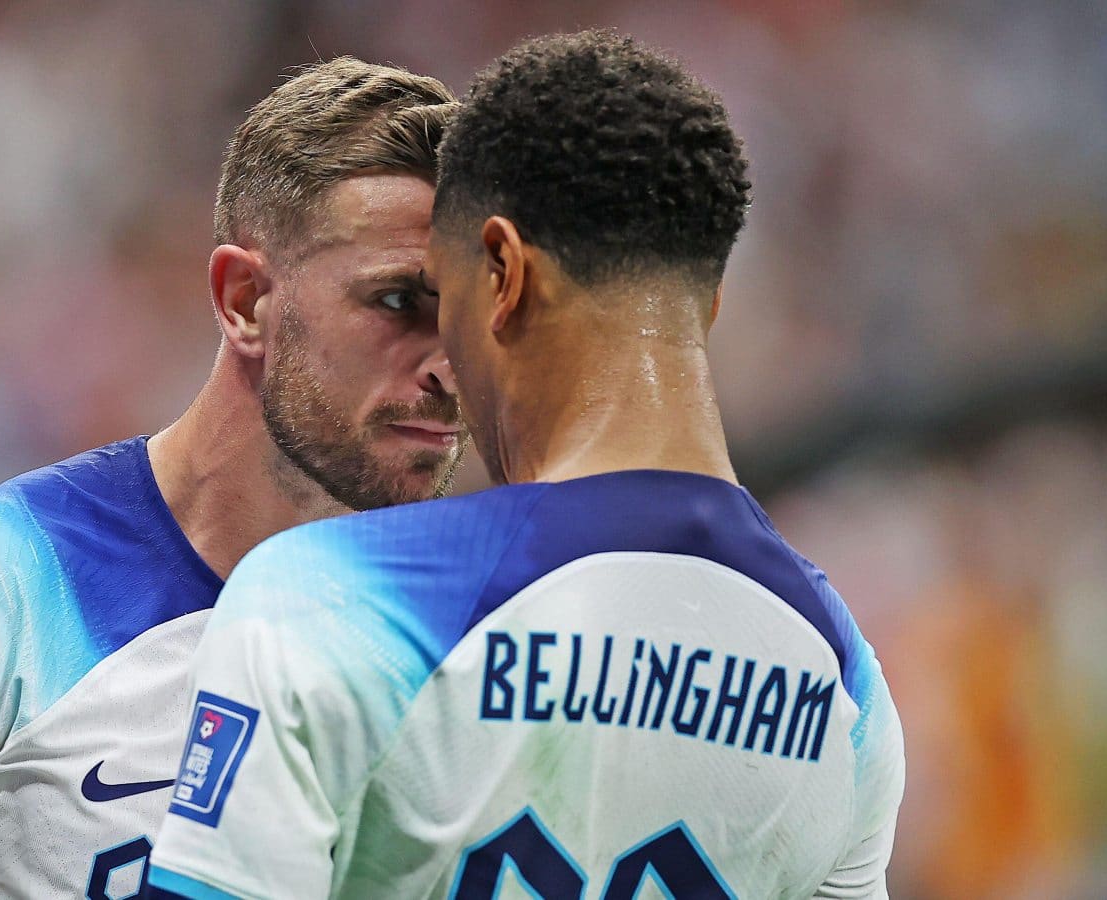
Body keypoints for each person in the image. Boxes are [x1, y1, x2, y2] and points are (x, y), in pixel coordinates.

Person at [144, 30, 905, 899]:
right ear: (711, 300)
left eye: (443, 295)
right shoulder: (845, 683)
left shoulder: (327, 600)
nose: (442, 365)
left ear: (502, 271)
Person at [0, 57, 463, 899]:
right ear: (246, 300)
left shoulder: (478, 658)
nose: (449, 364)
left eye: (474, 313)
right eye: (401, 302)